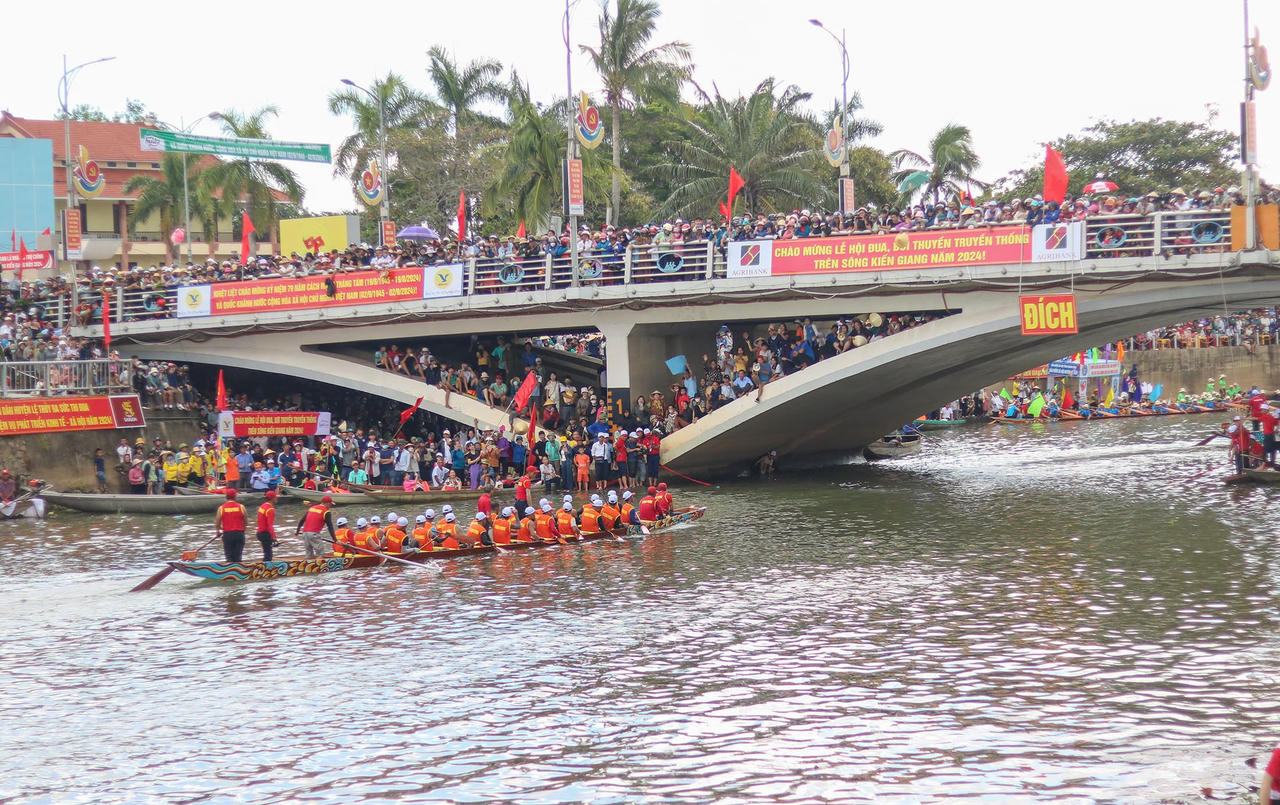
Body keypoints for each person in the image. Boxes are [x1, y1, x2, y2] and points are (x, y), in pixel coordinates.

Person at [295, 494, 336, 559]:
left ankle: (306, 567)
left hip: (305, 533)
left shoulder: (312, 508)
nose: (330, 506)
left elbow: (302, 520)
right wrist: (335, 539)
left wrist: (297, 531)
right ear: (327, 503)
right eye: (330, 504)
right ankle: (319, 567)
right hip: (314, 534)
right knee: (321, 554)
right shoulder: (326, 511)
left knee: (309, 555)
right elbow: (330, 527)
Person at [215, 489, 248, 563]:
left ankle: (229, 571)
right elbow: (246, 522)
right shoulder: (241, 507)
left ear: (226, 497)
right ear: (235, 497)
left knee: (229, 556)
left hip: (227, 534)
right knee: (238, 556)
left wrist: (218, 531)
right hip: (239, 534)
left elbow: (217, 523)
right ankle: (239, 571)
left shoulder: (221, 508)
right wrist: (242, 531)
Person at [256, 489, 278, 561]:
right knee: (268, 555)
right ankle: (265, 569)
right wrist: (274, 538)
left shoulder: (262, 506)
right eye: (275, 497)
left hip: (259, 532)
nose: (276, 499)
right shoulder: (270, 509)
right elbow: (270, 525)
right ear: (272, 498)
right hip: (265, 533)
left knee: (266, 552)